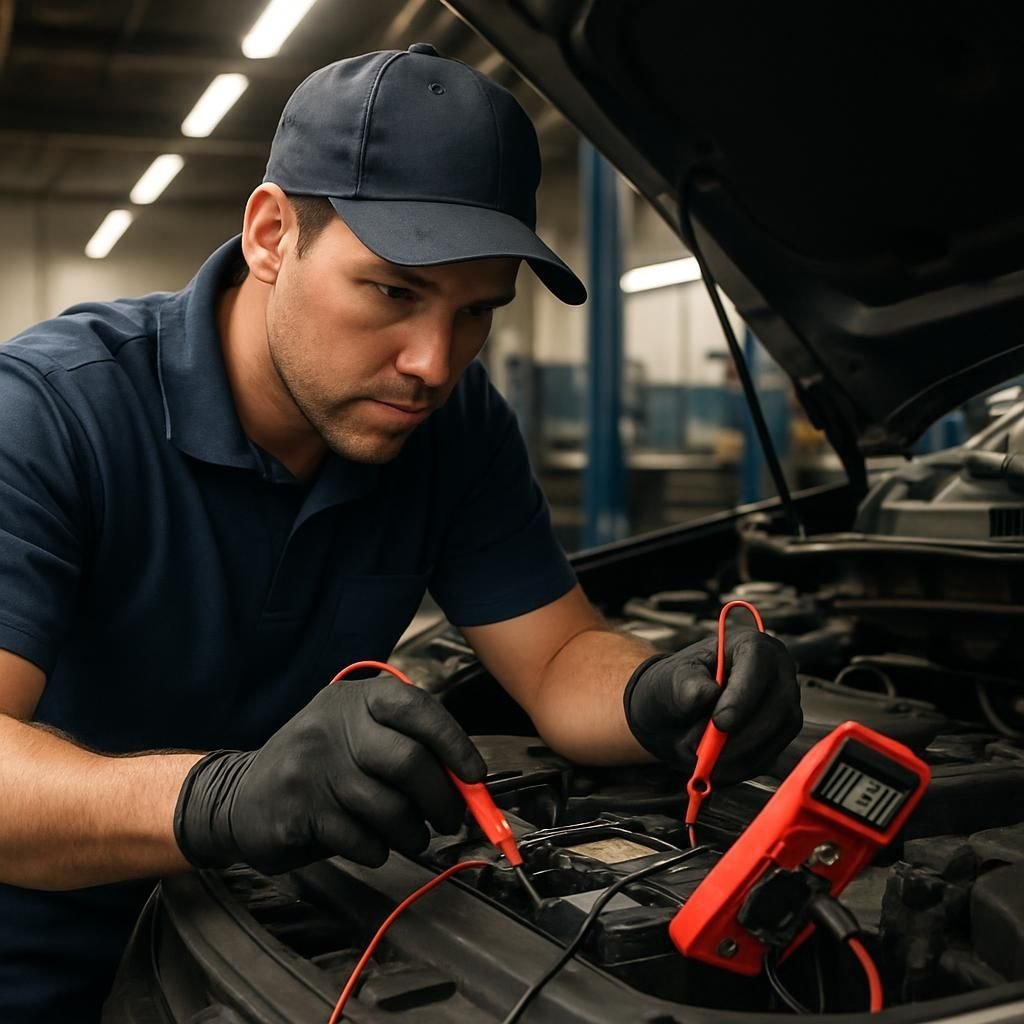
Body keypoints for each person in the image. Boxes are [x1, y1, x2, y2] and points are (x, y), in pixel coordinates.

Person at [0, 44, 802, 1018]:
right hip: (37, 963)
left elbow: (555, 663)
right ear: (270, 233)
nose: (432, 362)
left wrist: (658, 691)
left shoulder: (454, 430)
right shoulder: (51, 414)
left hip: (279, 934)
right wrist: (227, 796)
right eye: (392, 292)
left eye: (476, 313)